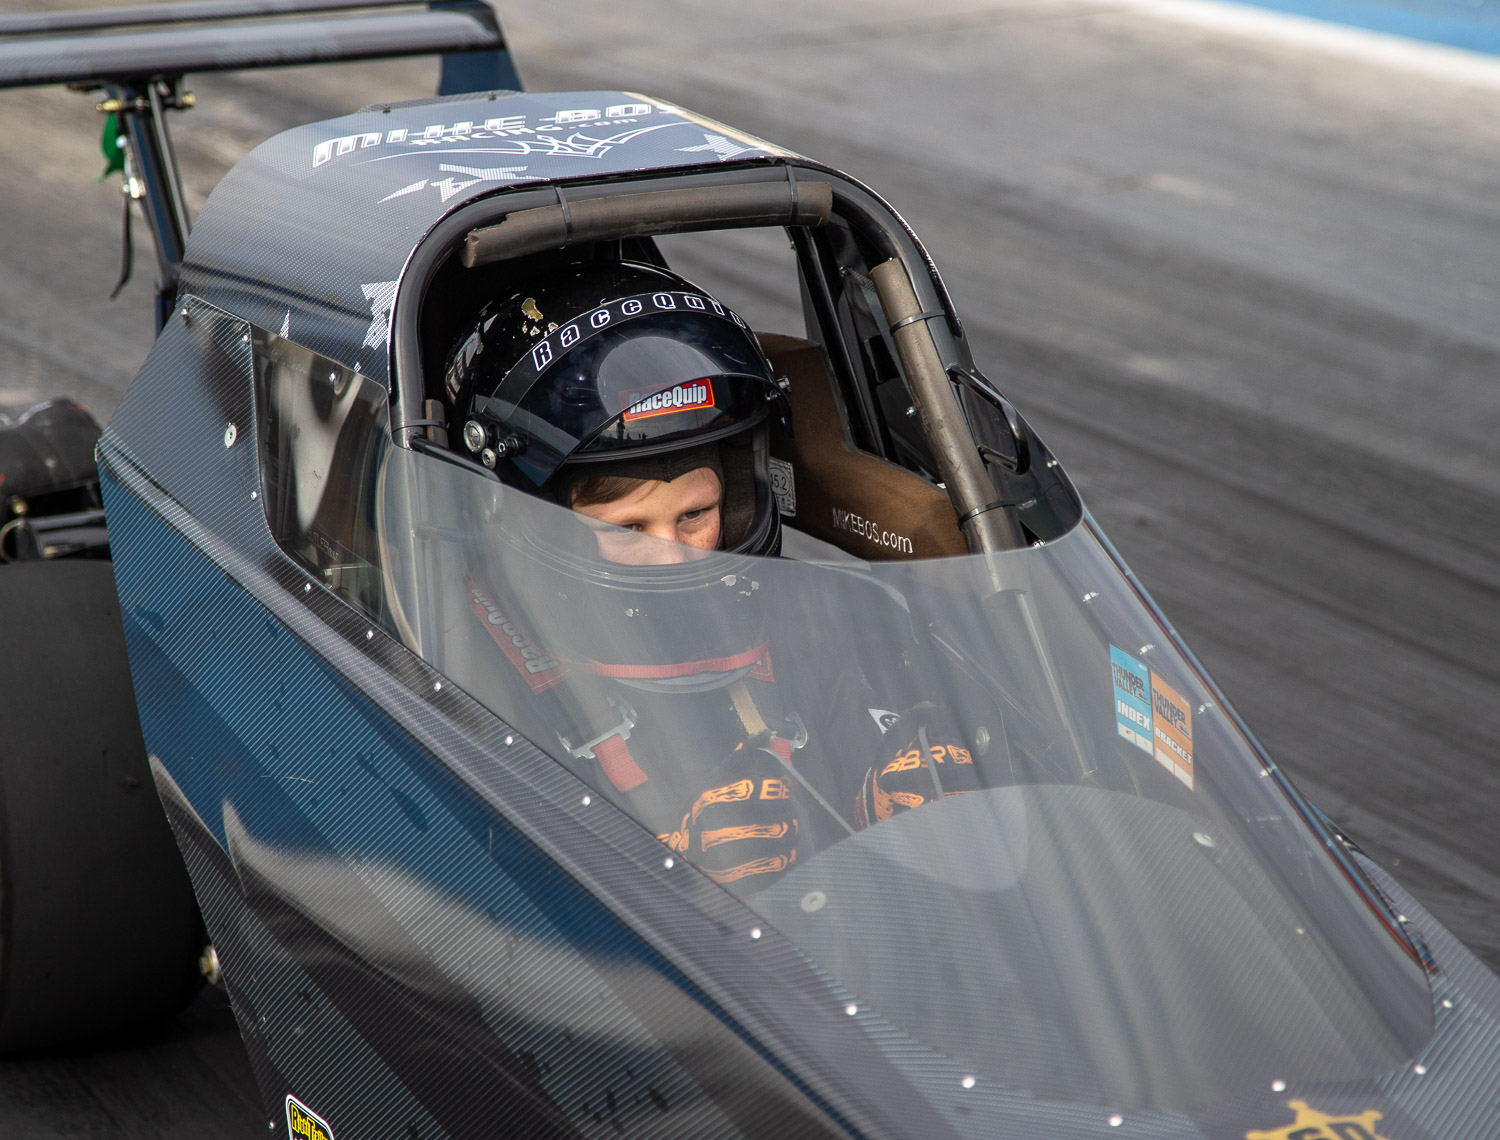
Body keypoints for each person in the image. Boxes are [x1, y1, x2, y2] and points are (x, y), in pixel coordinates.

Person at [442, 255, 977, 894]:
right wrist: (667, 876)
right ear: (539, 520)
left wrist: (892, 803)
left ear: (741, 495)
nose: (672, 556)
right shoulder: (458, 657)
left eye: (694, 515)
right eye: (627, 529)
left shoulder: (825, 621)